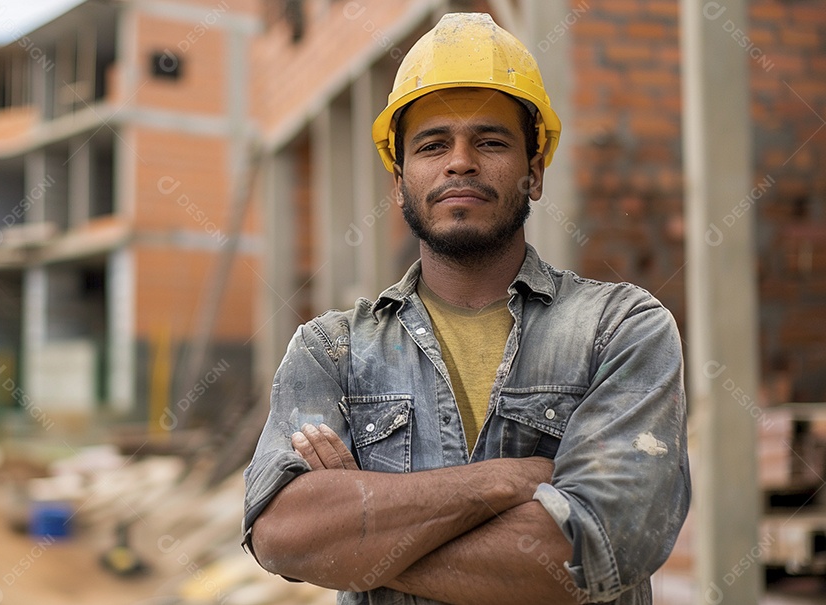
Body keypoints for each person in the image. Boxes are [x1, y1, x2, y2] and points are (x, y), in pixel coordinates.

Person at [241, 12, 690, 605]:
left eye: (490, 141)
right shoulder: (332, 350)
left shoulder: (621, 330)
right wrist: (505, 481)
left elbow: (592, 552)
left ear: (534, 172)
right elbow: (282, 535)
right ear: (399, 182)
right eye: (433, 144)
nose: (460, 161)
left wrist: (359, 542)